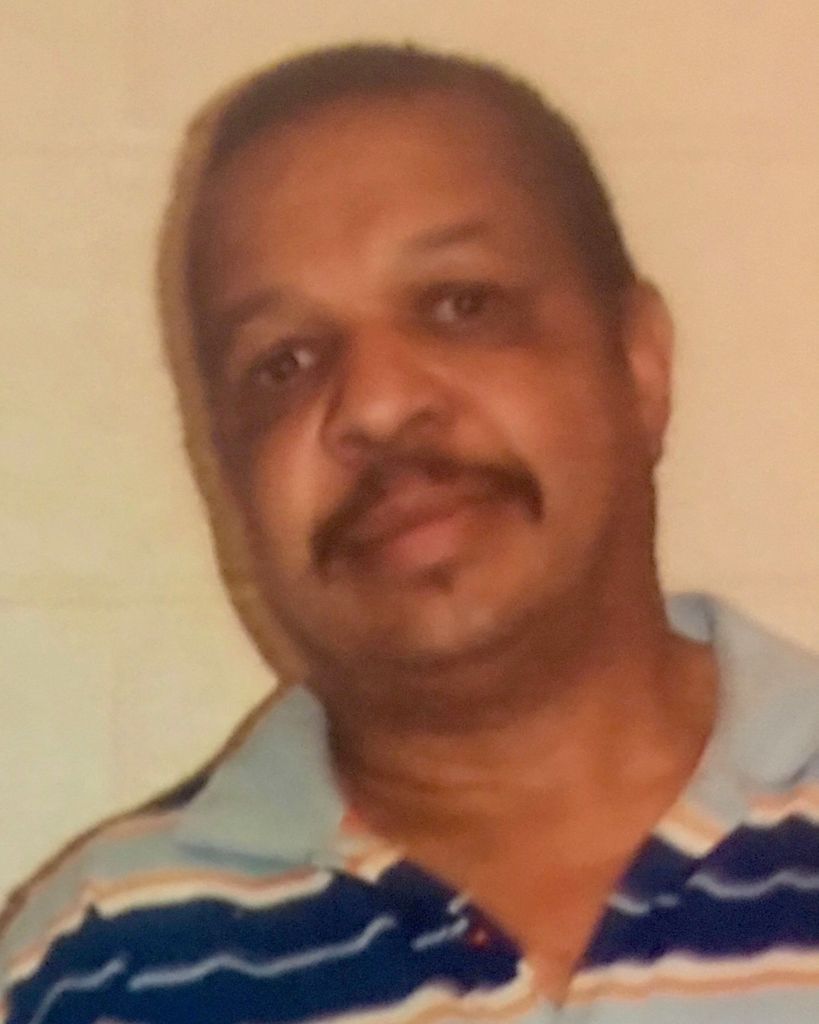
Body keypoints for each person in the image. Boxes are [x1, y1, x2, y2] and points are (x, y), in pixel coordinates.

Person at [2, 42, 818, 1024]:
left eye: (459, 304)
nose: (376, 405)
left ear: (638, 365)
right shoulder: (103, 966)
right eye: (282, 362)